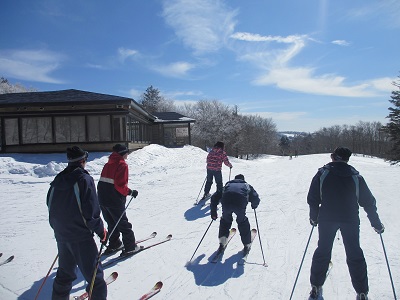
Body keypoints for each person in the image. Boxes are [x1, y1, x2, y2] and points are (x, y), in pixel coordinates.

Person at [307, 147, 384, 300]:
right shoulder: (356, 177)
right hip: (350, 219)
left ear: (333, 157)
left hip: (327, 218)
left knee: (323, 250)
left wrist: (314, 217)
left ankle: (316, 286)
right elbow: (368, 202)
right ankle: (362, 292)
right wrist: (376, 223)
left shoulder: (323, 173)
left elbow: (313, 198)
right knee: (354, 252)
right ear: (347, 159)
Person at [46, 146, 107, 300]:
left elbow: (51, 205)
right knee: (95, 278)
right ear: (83, 160)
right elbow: (91, 211)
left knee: (65, 274)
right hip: (80, 236)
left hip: (62, 235)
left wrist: (60, 230)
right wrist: (101, 231)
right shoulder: (83, 179)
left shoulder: (58, 179)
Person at [97, 144, 139, 257]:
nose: (128, 154)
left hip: (102, 197)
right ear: (123, 153)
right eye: (127, 152)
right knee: (123, 223)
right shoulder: (122, 165)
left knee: (111, 223)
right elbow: (120, 185)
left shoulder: (108, 164)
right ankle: (130, 247)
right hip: (114, 199)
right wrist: (130, 192)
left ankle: (115, 243)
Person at [210, 174, 260, 254]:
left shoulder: (228, 185)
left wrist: (213, 212)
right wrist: (254, 205)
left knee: (225, 221)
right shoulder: (247, 185)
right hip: (239, 204)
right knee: (242, 221)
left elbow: (214, 197)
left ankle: (222, 243)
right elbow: (255, 197)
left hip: (226, 203)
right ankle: (247, 244)